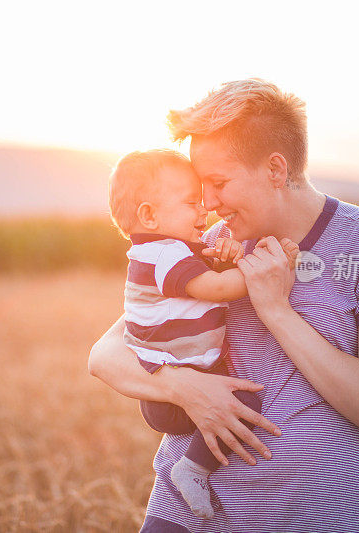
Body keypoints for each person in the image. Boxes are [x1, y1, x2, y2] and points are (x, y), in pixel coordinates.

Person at [89, 78, 359, 532]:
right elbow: (106, 354)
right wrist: (185, 389)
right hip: (186, 519)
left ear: (274, 169)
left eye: (218, 183)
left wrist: (276, 310)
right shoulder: (208, 246)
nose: (206, 204)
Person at [107, 149, 299, 518]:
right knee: (245, 401)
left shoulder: (165, 251)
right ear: (149, 214)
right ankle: (192, 471)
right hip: (177, 387)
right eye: (192, 203)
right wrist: (266, 269)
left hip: (170, 379)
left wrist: (225, 253)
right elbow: (217, 288)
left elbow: (203, 268)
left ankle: (195, 467)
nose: (205, 211)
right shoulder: (165, 254)